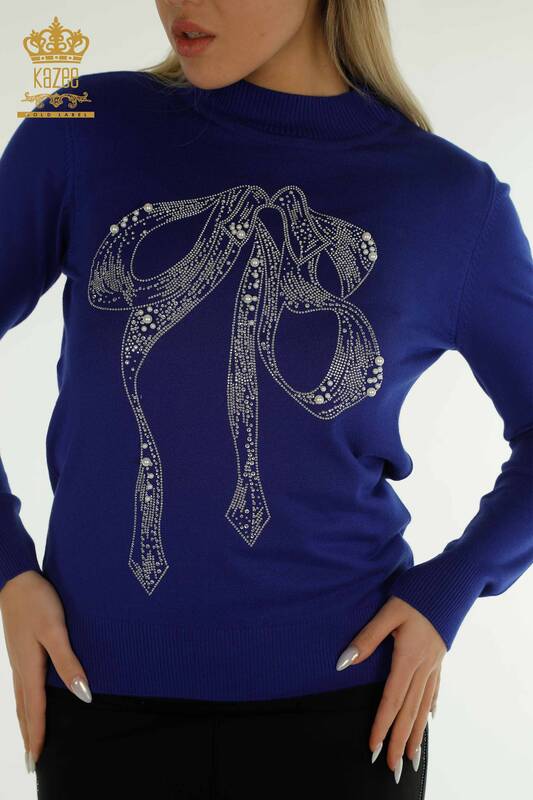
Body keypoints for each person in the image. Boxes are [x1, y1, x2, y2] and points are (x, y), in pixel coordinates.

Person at [0, 1, 531, 798]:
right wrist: (9, 571)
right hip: (96, 702)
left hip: (349, 715)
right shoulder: (85, 131)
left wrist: (448, 593)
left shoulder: (449, 199)